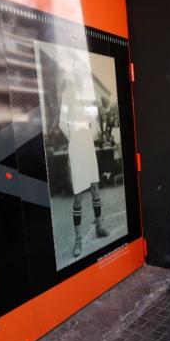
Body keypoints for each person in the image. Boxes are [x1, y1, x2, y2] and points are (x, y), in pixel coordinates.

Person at [59, 60, 109, 258]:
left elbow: (94, 122)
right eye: (77, 72)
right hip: (76, 146)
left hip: (88, 145)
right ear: (74, 73)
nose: (80, 75)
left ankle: (98, 227)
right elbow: (62, 122)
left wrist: (93, 133)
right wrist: (74, 136)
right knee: (78, 193)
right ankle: (78, 240)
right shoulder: (67, 94)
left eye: (83, 72)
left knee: (95, 187)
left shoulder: (89, 95)